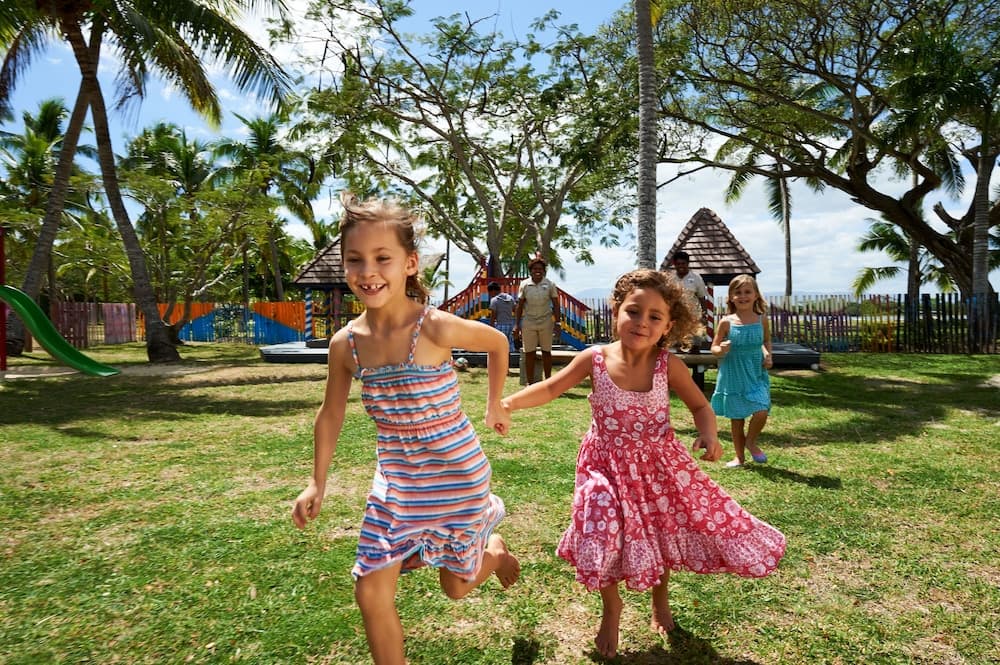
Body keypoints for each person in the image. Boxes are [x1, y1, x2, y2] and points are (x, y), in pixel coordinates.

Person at [501, 269, 786, 659]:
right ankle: (612, 606)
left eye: (655, 316)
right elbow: (551, 387)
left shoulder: (668, 365)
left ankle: (660, 599)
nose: (642, 322)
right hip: (603, 465)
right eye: (633, 311)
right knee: (598, 523)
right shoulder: (594, 359)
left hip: (656, 468)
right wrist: (509, 403)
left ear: (669, 325)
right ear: (616, 311)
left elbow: (700, 406)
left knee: (657, 535)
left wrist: (709, 433)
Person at [291, 192, 521, 665]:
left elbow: (498, 343)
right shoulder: (346, 345)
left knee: (455, 587)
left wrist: (494, 403)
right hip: (396, 482)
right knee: (369, 589)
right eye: (355, 259)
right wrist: (316, 481)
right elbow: (330, 413)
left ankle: (494, 552)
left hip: (456, 477)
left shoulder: (433, 327)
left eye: (383, 258)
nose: (368, 271)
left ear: (409, 264)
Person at [711, 274, 773, 468]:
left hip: (755, 372)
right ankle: (739, 457)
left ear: (756, 295)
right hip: (733, 374)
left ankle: (751, 442)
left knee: (761, 410)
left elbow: (765, 341)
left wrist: (768, 355)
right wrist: (721, 349)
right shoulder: (726, 322)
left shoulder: (762, 320)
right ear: (731, 297)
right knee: (737, 419)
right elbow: (714, 347)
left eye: (747, 292)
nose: (743, 296)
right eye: (738, 292)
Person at [513, 256, 560, 383]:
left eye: (540, 269)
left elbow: (556, 304)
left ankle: (548, 382)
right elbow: (520, 305)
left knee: (546, 352)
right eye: (535, 269)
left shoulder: (550, 284)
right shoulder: (524, 284)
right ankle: (530, 383)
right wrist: (516, 325)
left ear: (544, 271)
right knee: (529, 353)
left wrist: (558, 323)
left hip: (546, 321)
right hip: (529, 322)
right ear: (531, 271)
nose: (537, 271)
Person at [487, 281, 517, 351]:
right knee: (509, 346)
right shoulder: (510, 298)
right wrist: (515, 324)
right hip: (510, 325)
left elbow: (493, 315)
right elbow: (515, 310)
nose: (490, 295)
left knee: (499, 347)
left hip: (500, 325)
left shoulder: (494, 300)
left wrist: (491, 326)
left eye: (489, 292)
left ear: (493, 291)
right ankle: (508, 357)